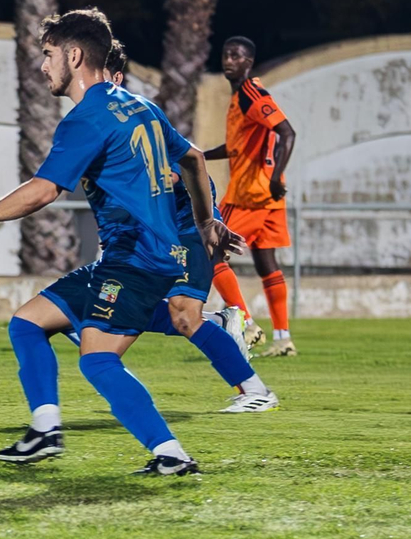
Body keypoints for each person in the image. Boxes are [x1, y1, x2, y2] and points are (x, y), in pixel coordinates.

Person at [0, 8, 243, 476]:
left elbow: (42, 191)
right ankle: (45, 429)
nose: (42, 66)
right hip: (138, 258)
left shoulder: (88, 118)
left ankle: (172, 455)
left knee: (98, 360)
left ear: (74, 55)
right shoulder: (141, 105)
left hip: (134, 260)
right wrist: (207, 222)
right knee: (27, 323)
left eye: (47, 54)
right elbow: (196, 159)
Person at [99, 44, 277, 413]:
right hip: (146, 233)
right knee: (115, 310)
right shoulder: (94, 126)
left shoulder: (136, 117)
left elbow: (187, 166)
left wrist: (207, 222)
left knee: (183, 313)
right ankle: (219, 322)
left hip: (183, 227)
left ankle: (256, 392)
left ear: (115, 79)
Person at [204, 36, 299, 357]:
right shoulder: (238, 99)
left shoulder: (251, 94)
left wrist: (273, 178)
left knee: (211, 251)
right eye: (225, 54)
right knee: (267, 264)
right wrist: (198, 156)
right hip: (267, 198)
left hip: (251, 194)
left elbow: (287, 132)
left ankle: (244, 323)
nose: (228, 60)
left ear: (249, 62)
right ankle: (283, 339)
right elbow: (235, 148)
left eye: (235, 55)